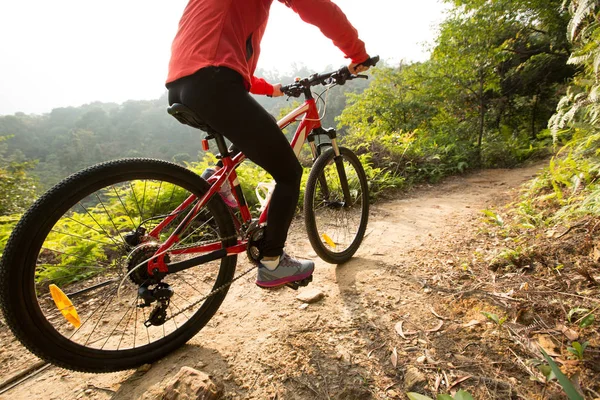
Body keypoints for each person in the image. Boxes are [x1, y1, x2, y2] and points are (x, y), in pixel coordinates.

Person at [166, 0, 371, 288]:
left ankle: (218, 184)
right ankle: (273, 262)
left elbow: (226, 58)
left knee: (249, 139)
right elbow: (319, 8)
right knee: (288, 173)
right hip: (214, 80)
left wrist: (273, 89)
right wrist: (357, 53)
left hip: (182, 85)